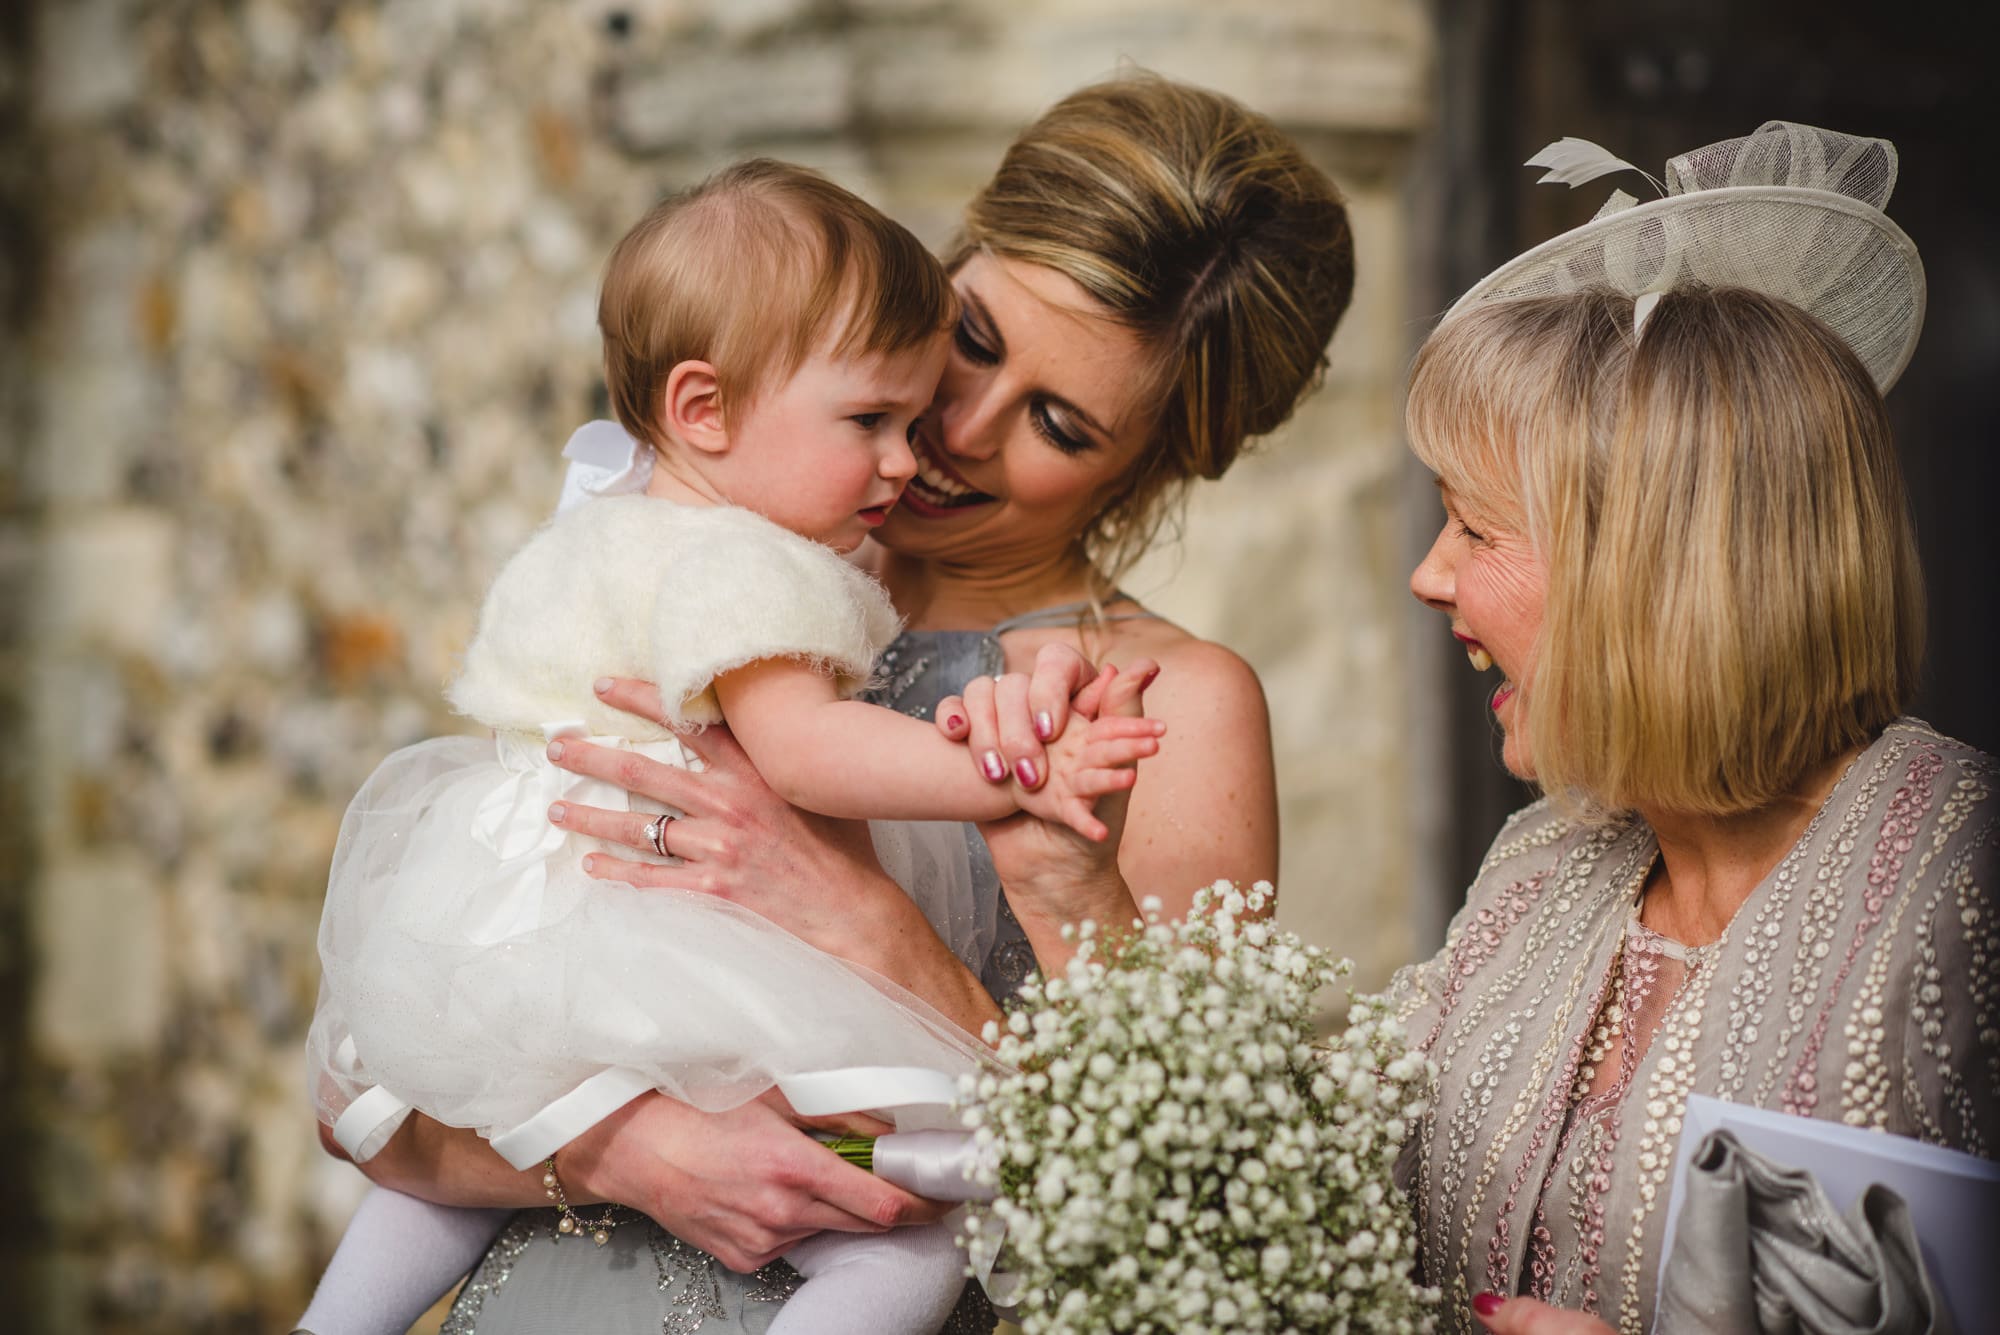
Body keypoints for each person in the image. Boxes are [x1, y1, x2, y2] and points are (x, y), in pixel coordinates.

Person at [313, 73, 1356, 1334]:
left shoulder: (1161, 708)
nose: (956, 427)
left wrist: (868, 922)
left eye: (1057, 423)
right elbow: (369, 1105)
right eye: (971, 340)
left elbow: (1192, 1224)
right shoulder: (699, 560)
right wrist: (619, 1154)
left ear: (1154, 463)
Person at [1387, 123, 1998, 1334]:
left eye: (1474, 528)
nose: (1426, 576)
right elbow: (1315, 1187)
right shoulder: (1539, 865)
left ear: (1648, 570)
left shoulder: (1965, 882)